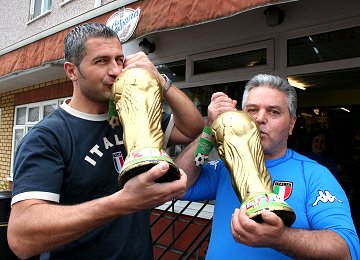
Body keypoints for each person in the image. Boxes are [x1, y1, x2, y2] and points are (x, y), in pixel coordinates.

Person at [7, 22, 204, 259]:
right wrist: (123, 202)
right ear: (71, 71)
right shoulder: (48, 137)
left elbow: (192, 129)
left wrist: (160, 80)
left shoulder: (132, 112)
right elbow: (21, 238)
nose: (115, 70)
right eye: (101, 61)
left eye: (119, 60)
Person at [175, 74, 359, 259]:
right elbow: (179, 182)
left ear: (292, 124)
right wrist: (209, 129)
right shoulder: (225, 167)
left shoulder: (314, 174)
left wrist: (281, 238)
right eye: (252, 110)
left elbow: (346, 251)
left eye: (274, 112)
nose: (260, 119)